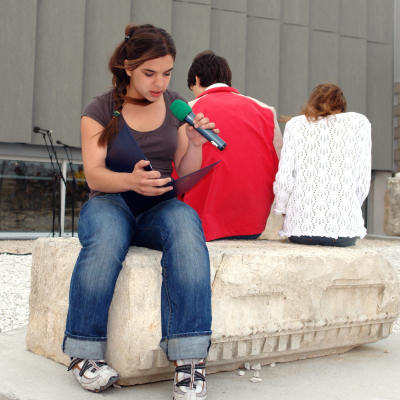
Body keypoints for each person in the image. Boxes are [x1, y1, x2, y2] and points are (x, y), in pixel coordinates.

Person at [63, 24, 218, 400]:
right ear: (128, 67)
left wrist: (195, 143)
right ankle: (84, 354)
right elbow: (94, 174)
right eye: (150, 73)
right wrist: (130, 181)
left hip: (158, 204)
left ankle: (189, 358)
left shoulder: (176, 105)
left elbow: (184, 166)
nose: (159, 83)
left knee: (187, 224)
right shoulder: (100, 109)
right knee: (106, 238)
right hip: (111, 200)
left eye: (167, 73)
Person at [183, 50, 282, 241]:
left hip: (200, 224)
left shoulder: (188, 111)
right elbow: (280, 163)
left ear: (196, 79)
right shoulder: (266, 110)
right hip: (254, 224)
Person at [273, 83, 371, 246]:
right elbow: (363, 181)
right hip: (344, 233)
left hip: (300, 231)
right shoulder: (360, 124)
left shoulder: (295, 125)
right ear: (342, 105)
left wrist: (282, 210)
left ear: (313, 102)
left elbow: (285, 178)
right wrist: (348, 208)